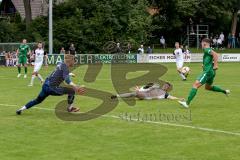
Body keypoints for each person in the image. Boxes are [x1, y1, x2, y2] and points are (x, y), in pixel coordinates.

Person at [16, 54, 86, 115]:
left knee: (37, 100)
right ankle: (70, 108)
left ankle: (21, 109)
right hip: (52, 88)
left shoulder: (60, 63)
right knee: (71, 91)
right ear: (70, 61)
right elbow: (67, 80)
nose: (74, 63)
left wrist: (69, 74)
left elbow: (58, 72)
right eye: (74, 61)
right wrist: (76, 86)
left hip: (45, 85)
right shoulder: (65, 68)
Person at [178, 38, 230, 108]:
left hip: (208, 72)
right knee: (208, 87)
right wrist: (204, 65)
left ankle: (187, 103)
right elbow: (211, 57)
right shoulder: (207, 51)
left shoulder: (206, 49)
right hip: (211, 72)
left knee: (195, 85)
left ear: (204, 43)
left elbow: (215, 54)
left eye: (201, 43)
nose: (201, 45)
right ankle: (225, 91)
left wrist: (215, 65)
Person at [111, 82, 183, 101]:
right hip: (144, 94)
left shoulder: (165, 94)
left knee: (133, 94)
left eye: (166, 86)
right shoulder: (157, 87)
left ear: (167, 88)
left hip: (146, 96)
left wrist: (179, 98)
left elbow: (171, 97)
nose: (165, 86)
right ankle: (117, 96)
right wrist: (140, 89)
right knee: (132, 94)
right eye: (165, 84)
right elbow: (147, 89)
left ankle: (117, 96)